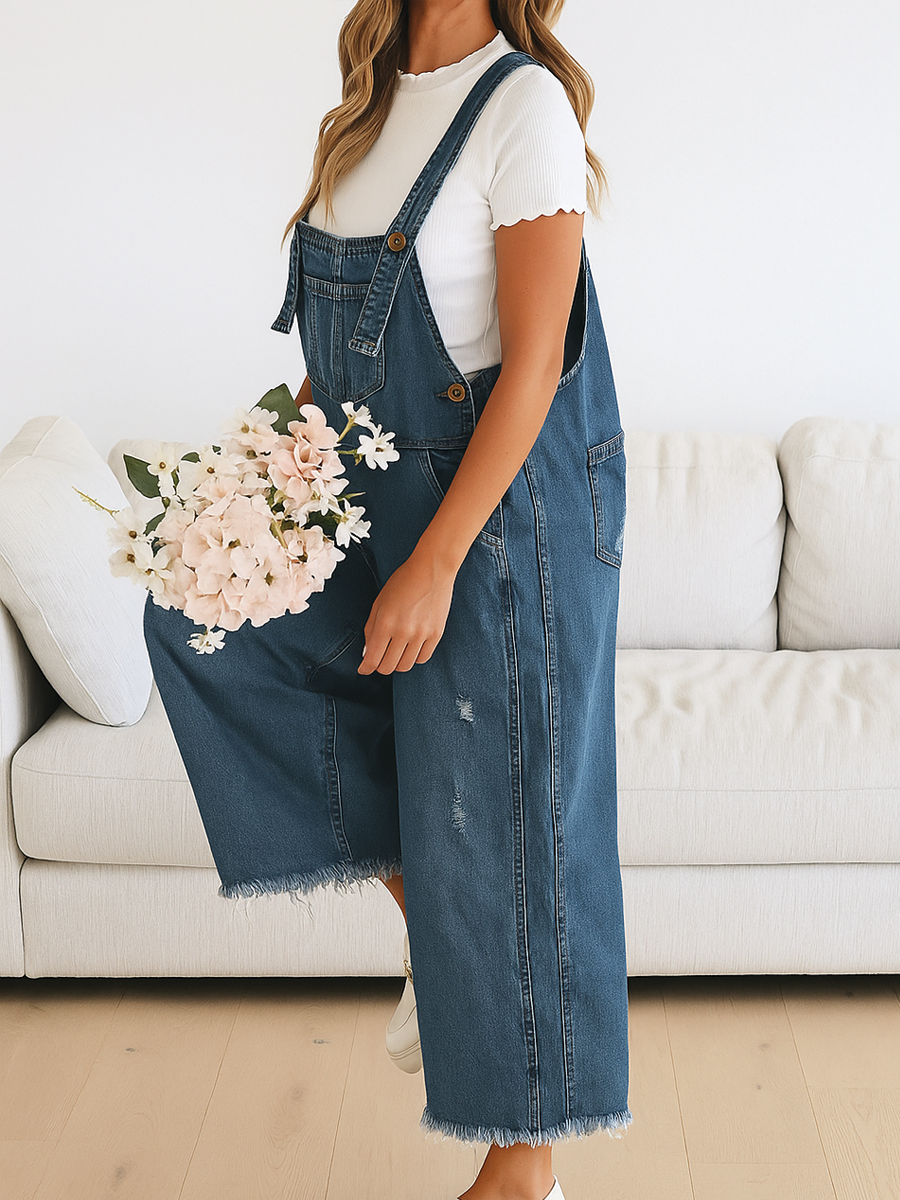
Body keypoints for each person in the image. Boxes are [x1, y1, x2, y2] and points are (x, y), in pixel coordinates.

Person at [143, 1, 631, 1198]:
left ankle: (523, 1172)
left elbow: (534, 366)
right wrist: (255, 493)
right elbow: (341, 361)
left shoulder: (523, 107)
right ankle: (438, 934)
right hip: (369, 492)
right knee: (204, 620)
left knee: (504, 816)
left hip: (499, 518)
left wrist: (437, 561)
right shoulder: (364, 114)